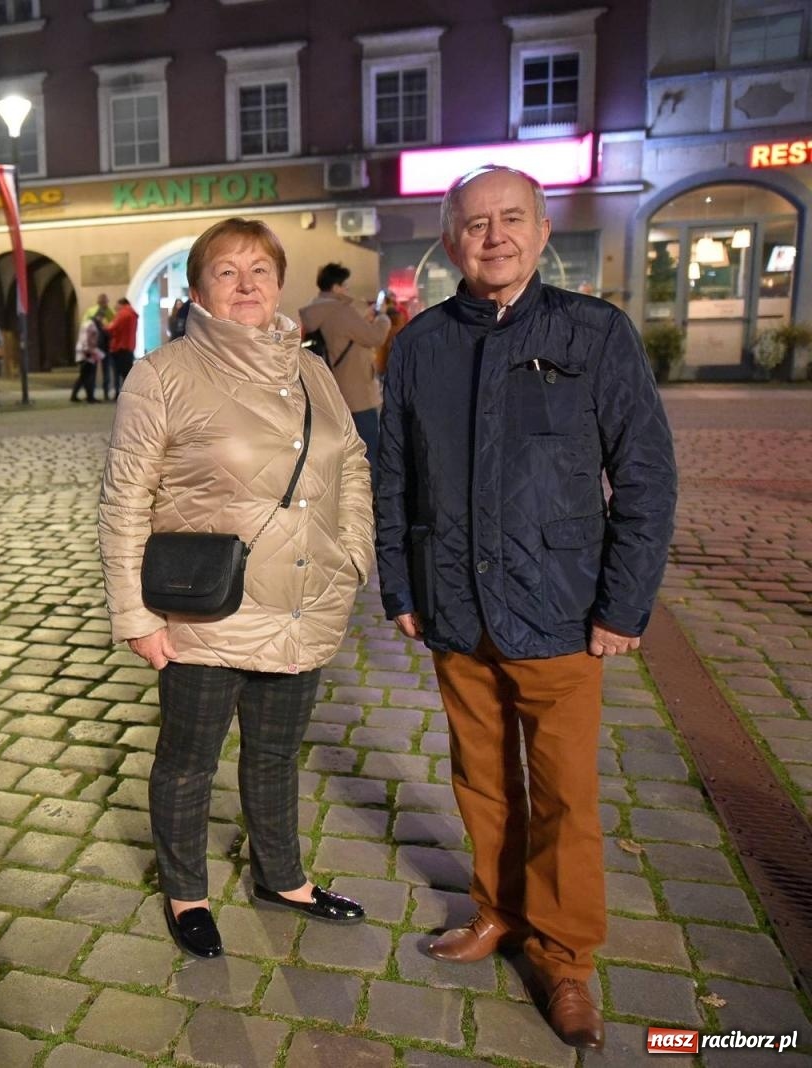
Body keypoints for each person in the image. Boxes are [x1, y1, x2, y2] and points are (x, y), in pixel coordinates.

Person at [375, 165, 678, 1051]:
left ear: (543, 232)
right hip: (455, 614)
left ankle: (565, 956)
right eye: (475, 224)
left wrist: (623, 606)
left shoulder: (596, 333)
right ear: (449, 242)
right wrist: (402, 587)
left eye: (512, 219)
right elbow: (393, 477)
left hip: (561, 611)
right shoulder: (422, 345)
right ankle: (497, 912)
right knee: (480, 779)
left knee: (565, 798)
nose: (494, 236)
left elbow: (648, 476)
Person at [99, 217, 373, 961]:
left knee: (277, 754)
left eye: (260, 269)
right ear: (197, 289)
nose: (247, 283)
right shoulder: (162, 375)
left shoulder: (312, 369)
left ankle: (279, 877)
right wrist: (135, 612)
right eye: (227, 271)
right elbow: (125, 499)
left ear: (279, 283)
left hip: (301, 602)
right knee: (190, 758)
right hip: (204, 609)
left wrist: (353, 556)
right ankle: (187, 891)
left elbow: (351, 463)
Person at [299, 264, 391, 464]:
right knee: (368, 452)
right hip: (357, 394)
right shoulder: (340, 311)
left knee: (345, 453)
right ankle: (371, 493)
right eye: (345, 285)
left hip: (334, 389)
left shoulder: (317, 311)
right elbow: (374, 337)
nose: (347, 290)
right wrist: (383, 317)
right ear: (335, 287)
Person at [70, 311, 104, 404]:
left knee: (83, 376)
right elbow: (87, 339)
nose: (102, 320)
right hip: (87, 354)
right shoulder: (91, 326)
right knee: (88, 376)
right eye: (101, 318)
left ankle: (75, 396)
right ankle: (90, 397)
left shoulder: (87, 324)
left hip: (85, 353)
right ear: (98, 317)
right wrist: (87, 351)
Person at [107, 297, 139, 394]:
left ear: (121, 304)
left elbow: (112, 327)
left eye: (117, 305)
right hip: (129, 346)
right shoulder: (133, 314)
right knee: (128, 373)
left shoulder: (122, 313)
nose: (115, 307)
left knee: (119, 373)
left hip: (120, 347)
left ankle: (120, 394)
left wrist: (104, 326)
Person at [88, 294, 117, 400]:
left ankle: (105, 393)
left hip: (106, 346)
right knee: (93, 370)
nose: (104, 304)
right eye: (102, 302)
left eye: (105, 302)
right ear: (98, 302)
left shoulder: (110, 313)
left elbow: (114, 326)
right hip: (95, 346)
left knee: (106, 371)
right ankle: (91, 394)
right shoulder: (92, 312)